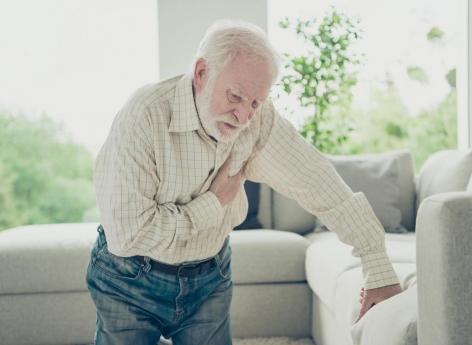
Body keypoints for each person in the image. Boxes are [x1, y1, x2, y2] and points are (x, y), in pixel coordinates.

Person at [86, 20, 402, 345]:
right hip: (128, 278)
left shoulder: (258, 121)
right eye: (235, 97)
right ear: (201, 73)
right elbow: (129, 234)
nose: (243, 117)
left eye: (255, 102)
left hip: (209, 275)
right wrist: (213, 202)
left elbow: (317, 181)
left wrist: (376, 263)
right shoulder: (144, 116)